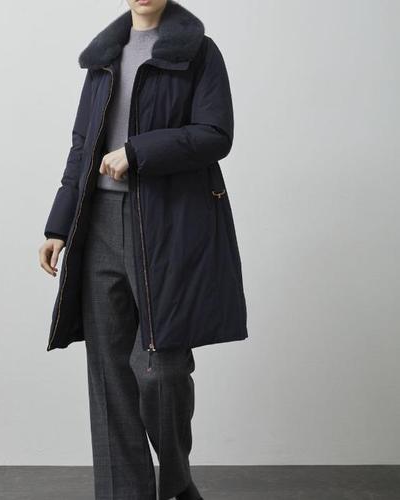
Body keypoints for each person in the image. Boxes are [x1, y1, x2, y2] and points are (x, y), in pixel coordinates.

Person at [38, 0, 248, 498]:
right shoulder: (103, 57)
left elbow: (216, 134)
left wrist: (138, 152)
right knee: (110, 375)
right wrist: (59, 225)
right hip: (99, 224)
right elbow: (81, 146)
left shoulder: (198, 52)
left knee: (159, 370)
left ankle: (176, 481)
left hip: (167, 224)